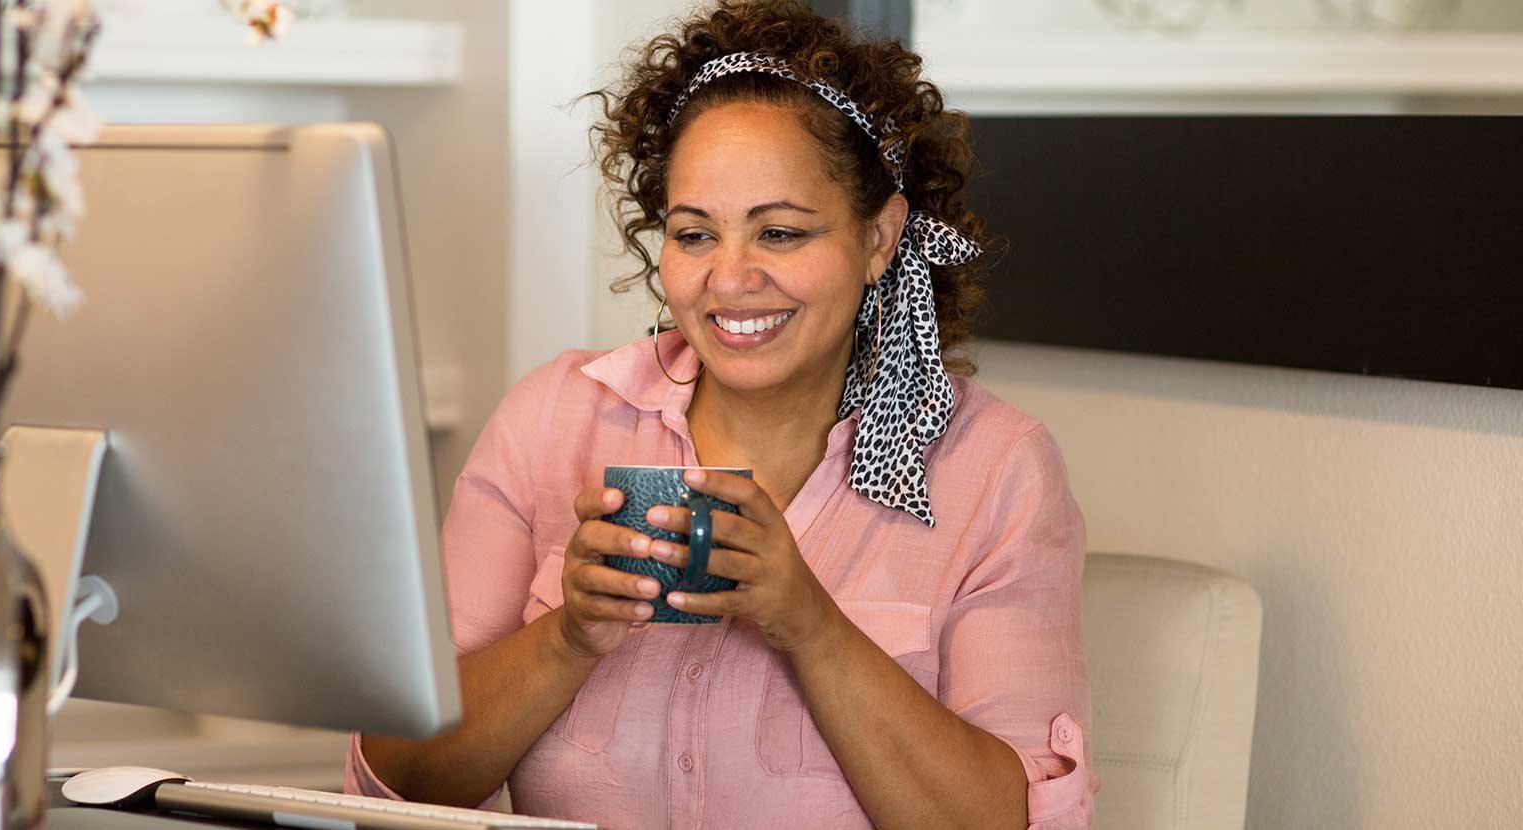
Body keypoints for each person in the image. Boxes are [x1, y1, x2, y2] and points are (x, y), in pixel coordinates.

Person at [345, 2, 1096, 827]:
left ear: (880, 238)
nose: (729, 280)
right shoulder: (554, 420)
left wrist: (811, 627)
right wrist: (567, 639)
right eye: (695, 235)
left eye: (779, 233)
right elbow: (397, 781)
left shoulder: (995, 471)